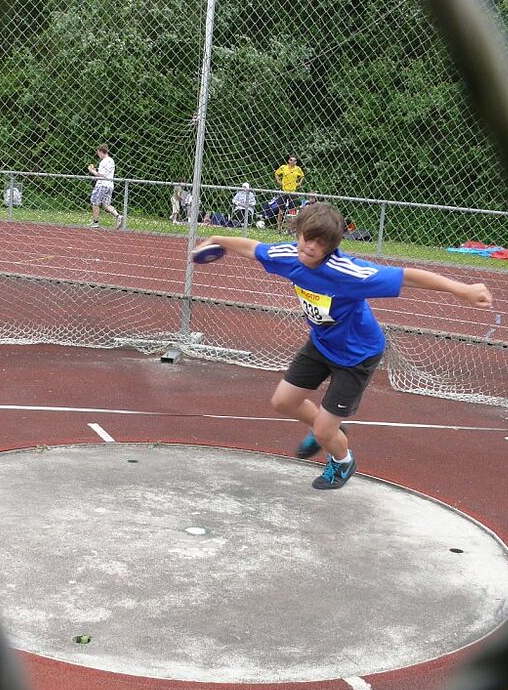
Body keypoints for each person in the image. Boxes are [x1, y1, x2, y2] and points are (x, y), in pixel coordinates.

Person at [197, 201, 493, 490]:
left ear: (331, 246)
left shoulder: (348, 272)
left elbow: (407, 276)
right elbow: (253, 248)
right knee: (283, 402)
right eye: (307, 238)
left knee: (324, 431)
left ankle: (342, 460)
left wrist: (462, 290)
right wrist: (217, 238)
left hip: (357, 355)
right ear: (298, 232)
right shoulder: (289, 255)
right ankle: (328, 430)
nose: (310, 248)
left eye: (320, 244)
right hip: (322, 343)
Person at [87, 144, 121, 228]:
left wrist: (92, 171)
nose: (98, 155)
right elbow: (105, 173)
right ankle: (118, 216)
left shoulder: (104, 161)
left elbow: (101, 175)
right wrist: (96, 170)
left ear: (101, 152)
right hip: (109, 185)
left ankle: (95, 222)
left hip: (102, 185)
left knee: (95, 202)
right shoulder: (111, 160)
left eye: (98, 153)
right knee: (106, 204)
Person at [273, 154, 305, 233]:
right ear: (288, 161)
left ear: (296, 162)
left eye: (294, 160)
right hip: (284, 191)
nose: (293, 162)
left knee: (292, 211)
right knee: (281, 211)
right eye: (291, 160)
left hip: (292, 192)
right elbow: (276, 173)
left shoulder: (297, 169)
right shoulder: (284, 167)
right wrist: (278, 181)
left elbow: (302, 176)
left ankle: (291, 229)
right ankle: (279, 228)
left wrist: (299, 183)